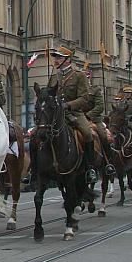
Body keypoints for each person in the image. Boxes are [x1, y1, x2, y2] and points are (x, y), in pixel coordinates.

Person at [47, 47, 96, 184]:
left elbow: (84, 98)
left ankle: (90, 168)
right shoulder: (54, 76)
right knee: (38, 134)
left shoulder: (79, 75)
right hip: (56, 114)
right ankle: (35, 170)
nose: (56, 60)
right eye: (55, 57)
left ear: (68, 60)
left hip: (74, 113)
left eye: (59, 58)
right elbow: (49, 95)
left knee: (87, 133)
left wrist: (68, 105)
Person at [84, 69, 116, 177]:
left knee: (103, 136)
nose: (86, 80)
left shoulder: (95, 90)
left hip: (94, 119)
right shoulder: (76, 91)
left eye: (87, 77)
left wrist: (89, 115)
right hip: (78, 118)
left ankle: (109, 163)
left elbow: (100, 106)